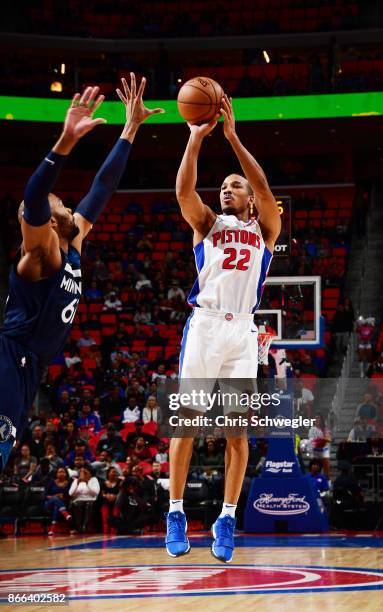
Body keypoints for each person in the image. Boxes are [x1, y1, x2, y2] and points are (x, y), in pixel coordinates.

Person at [0, 73, 164, 472]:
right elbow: (36, 195)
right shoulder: (40, 256)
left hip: (31, 367)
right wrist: (66, 140)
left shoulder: (72, 241)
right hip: (9, 359)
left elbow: (102, 187)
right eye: (59, 202)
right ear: (44, 222)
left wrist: (131, 127)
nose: (66, 202)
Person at [166, 96, 281, 561]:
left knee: (238, 432)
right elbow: (183, 193)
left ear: (250, 198)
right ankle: (175, 512)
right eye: (223, 186)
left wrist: (232, 137)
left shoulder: (266, 228)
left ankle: (226, 518)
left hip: (242, 334)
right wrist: (195, 140)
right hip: (206, 325)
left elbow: (265, 188)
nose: (226, 190)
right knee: (188, 422)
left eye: (235, 186)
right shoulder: (208, 224)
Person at [69, 465, 100, 534]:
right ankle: (79, 526)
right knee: (78, 504)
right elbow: (71, 494)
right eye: (81, 472)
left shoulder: (94, 480)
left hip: (91, 500)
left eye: (84, 472)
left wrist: (87, 483)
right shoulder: (76, 481)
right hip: (78, 501)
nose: (82, 474)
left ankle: (84, 526)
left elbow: (95, 493)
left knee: (88, 504)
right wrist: (77, 484)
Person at [45, 466, 72, 536]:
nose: (61, 474)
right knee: (55, 499)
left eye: (63, 472)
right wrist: (54, 496)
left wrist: (63, 496)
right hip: (49, 503)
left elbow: (70, 494)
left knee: (57, 507)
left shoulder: (69, 483)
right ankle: (65, 513)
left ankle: (53, 529)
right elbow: (45, 495)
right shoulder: (51, 482)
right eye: (59, 472)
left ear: (66, 474)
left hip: (64, 503)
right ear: (56, 474)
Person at [308, 413, 331, 479]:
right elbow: (311, 441)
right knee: (315, 470)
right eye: (316, 418)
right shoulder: (312, 429)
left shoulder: (325, 429)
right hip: (315, 453)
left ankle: (326, 482)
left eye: (318, 418)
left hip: (324, 452)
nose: (317, 419)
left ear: (321, 419)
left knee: (325, 470)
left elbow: (328, 440)